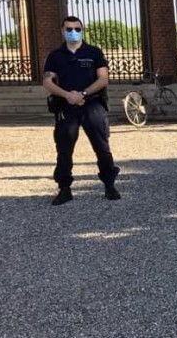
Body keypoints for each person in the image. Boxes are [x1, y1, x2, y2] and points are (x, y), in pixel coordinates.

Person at [42, 15, 120, 205]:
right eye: (69, 29)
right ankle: (64, 189)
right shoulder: (55, 55)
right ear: (62, 31)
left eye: (77, 29)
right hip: (66, 106)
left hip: (92, 104)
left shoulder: (94, 52)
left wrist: (83, 94)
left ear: (82, 30)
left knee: (102, 146)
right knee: (64, 149)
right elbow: (47, 81)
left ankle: (109, 185)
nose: (73, 32)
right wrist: (67, 95)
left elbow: (103, 79)